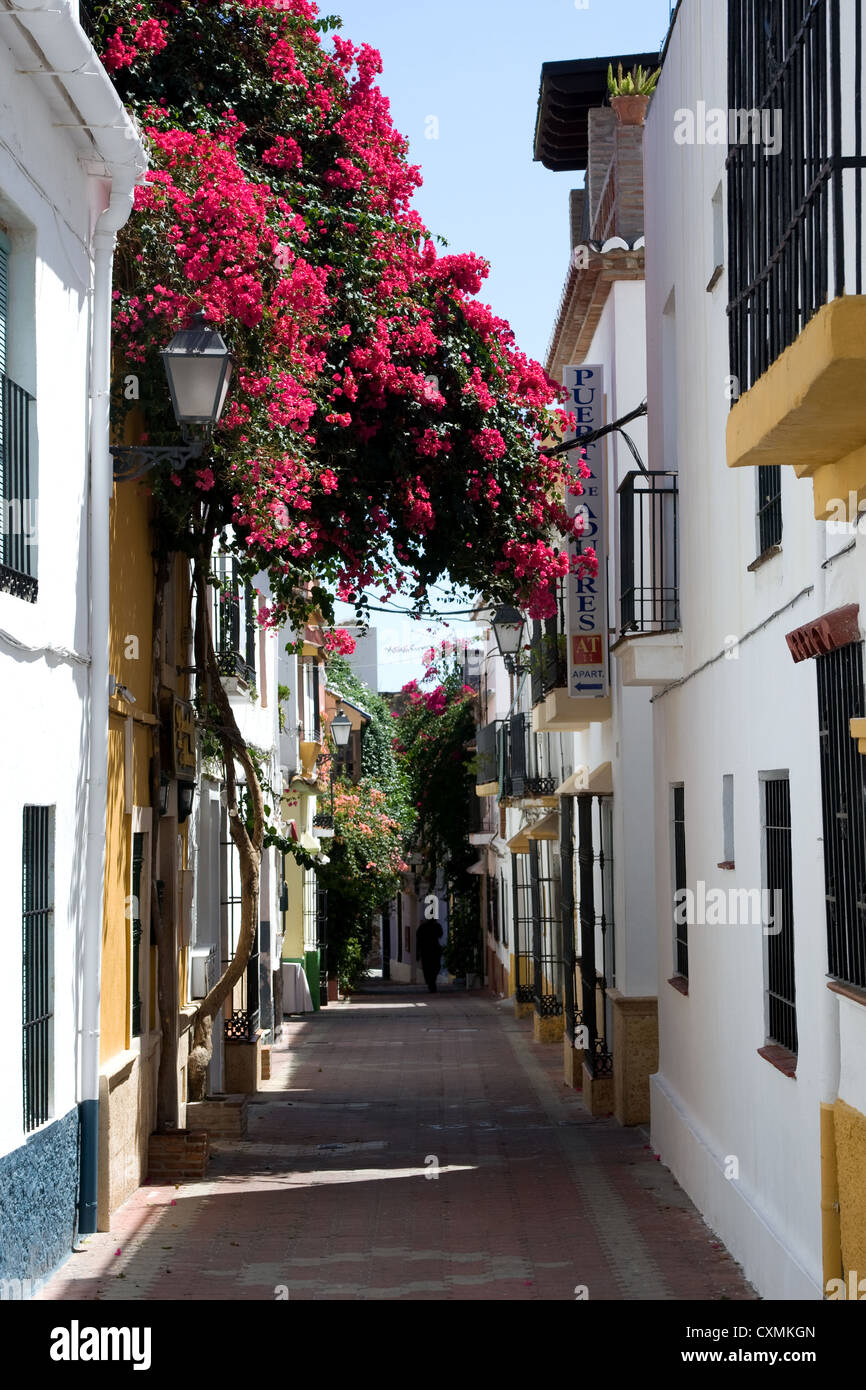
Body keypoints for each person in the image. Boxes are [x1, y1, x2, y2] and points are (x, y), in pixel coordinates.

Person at [415, 918, 443, 992]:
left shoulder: (423, 927)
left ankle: (431, 982)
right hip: (430, 950)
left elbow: (418, 941)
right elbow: (440, 935)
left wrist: (417, 953)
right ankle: (431, 982)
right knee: (433, 967)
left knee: (429, 968)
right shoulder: (434, 926)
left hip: (428, 950)